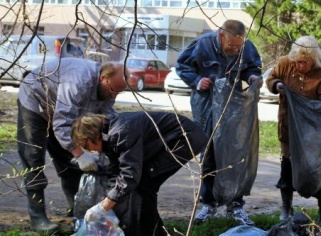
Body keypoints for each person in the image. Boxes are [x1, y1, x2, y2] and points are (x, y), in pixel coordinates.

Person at [17, 58, 126, 233]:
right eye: (113, 90)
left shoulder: (107, 90)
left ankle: (76, 207)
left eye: (119, 92)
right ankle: (37, 218)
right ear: (104, 78)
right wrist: (80, 154)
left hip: (61, 110)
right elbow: (61, 124)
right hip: (35, 100)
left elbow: (107, 118)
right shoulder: (79, 81)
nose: (114, 96)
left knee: (68, 161)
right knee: (33, 157)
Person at [175, 19, 262, 225]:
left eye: (238, 46)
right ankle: (209, 204)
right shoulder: (201, 44)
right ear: (220, 36)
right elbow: (181, 66)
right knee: (209, 154)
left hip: (233, 107)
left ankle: (235, 205)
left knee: (235, 153)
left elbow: (252, 68)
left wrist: (252, 78)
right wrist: (196, 81)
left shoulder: (246, 46)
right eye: (231, 45)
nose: (234, 49)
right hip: (206, 107)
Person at [71, 112, 208, 236]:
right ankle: (155, 231)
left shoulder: (120, 132)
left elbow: (129, 175)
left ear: (92, 135)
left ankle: (146, 231)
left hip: (184, 138)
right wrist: (106, 202)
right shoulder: (109, 136)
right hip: (168, 140)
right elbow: (115, 172)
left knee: (144, 183)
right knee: (141, 185)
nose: (88, 150)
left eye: (87, 145)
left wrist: (105, 205)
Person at [266, 35, 321, 236]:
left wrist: (310, 110)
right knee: (287, 167)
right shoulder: (285, 64)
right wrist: (277, 86)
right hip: (288, 128)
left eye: (306, 62)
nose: (301, 65)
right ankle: (286, 208)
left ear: (314, 60)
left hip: (313, 135)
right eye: (298, 61)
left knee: (317, 169)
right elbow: (271, 79)